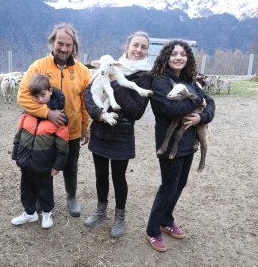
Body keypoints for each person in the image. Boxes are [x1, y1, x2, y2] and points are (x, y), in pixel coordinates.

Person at [144, 40, 215, 252]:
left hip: (188, 142)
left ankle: (166, 220)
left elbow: (209, 103)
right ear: (166, 56)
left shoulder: (190, 81)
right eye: (174, 53)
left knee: (180, 184)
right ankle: (152, 229)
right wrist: (197, 101)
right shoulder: (160, 81)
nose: (178, 57)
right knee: (168, 186)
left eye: (183, 54)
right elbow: (171, 108)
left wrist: (201, 118)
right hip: (168, 146)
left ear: (187, 58)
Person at [83, 31, 153, 238]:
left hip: (122, 135)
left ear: (147, 51)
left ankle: (119, 216)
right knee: (100, 175)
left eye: (143, 47)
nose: (139, 50)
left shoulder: (145, 77)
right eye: (135, 45)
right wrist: (99, 114)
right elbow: (88, 93)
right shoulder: (108, 64)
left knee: (118, 177)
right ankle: (101, 211)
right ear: (127, 47)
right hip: (100, 130)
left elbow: (136, 111)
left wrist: (114, 81)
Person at [17, 23, 91, 217]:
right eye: (60, 43)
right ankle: (42, 199)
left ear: (73, 46)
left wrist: (85, 127)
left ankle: (71, 196)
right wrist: (47, 113)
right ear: (52, 42)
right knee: (41, 168)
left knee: (70, 166)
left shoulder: (83, 71)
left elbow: (85, 103)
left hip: (71, 131)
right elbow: (23, 97)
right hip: (44, 133)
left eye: (69, 45)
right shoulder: (38, 66)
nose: (64, 49)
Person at [11, 74, 69, 228]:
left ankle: (47, 212)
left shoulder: (58, 117)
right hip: (26, 161)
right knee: (26, 187)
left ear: (50, 91)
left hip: (44, 163)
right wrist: (16, 155)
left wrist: (57, 165)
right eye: (35, 97)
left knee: (44, 188)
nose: (39, 100)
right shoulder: (27, 114)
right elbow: (19, 135)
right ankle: (30, 213)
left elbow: (62, 144)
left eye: (43, 95)